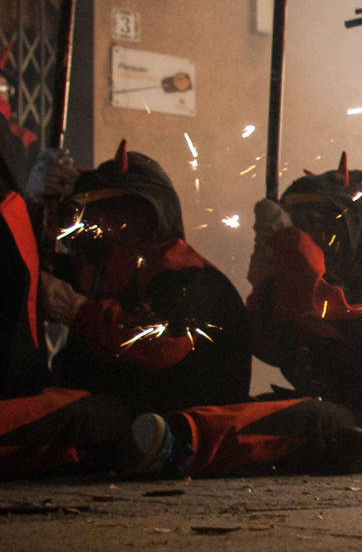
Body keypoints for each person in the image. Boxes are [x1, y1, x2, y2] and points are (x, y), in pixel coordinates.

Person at [2, 143, 251, 477]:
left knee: (73, 416)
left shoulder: (192, 278)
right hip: (100, 410)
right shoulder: (102, 272)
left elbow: (163, 343)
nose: (97, 220)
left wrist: (78, 311)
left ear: (149, 215)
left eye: (114, 209)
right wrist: (37, 201)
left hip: (157, 422)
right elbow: (25, 266)